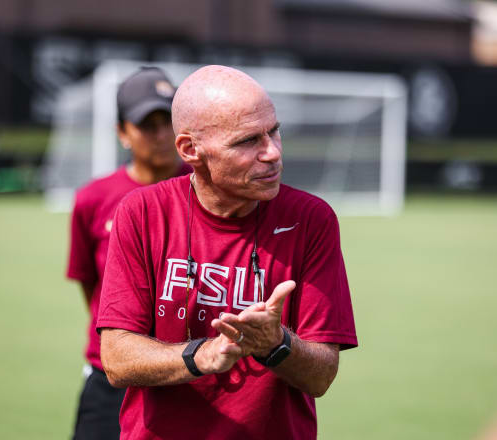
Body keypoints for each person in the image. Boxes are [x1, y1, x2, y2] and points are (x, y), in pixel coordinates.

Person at [97, 65, 358, 440]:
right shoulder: (141, 212)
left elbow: (321, 376)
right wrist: (201, 356)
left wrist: (275, 343)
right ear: (190, 150)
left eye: (274, 131)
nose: (272, 153)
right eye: (248, 141)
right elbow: (117, 359)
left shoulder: (312, 221)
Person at [66, 67, 191, 440]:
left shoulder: (209, 191)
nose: (161, 135)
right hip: (112, 375)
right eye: (147, 124)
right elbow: (91, 283)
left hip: (188, 367)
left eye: (168, 121)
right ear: (122, 132)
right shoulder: (93, 199)